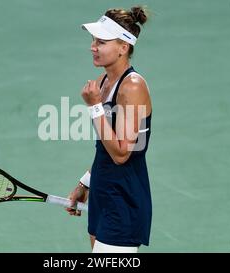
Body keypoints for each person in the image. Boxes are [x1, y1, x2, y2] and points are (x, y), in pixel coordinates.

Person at [66, 6, 153, 253]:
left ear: (123, 47)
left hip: (123, 201)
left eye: (102, 42)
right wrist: (85, 185)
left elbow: (122, 153)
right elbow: (104, 149)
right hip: (103, 194)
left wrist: (94, 107)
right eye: (94, 40)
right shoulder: (105, 81)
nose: (93, 47)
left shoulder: (132, 86)